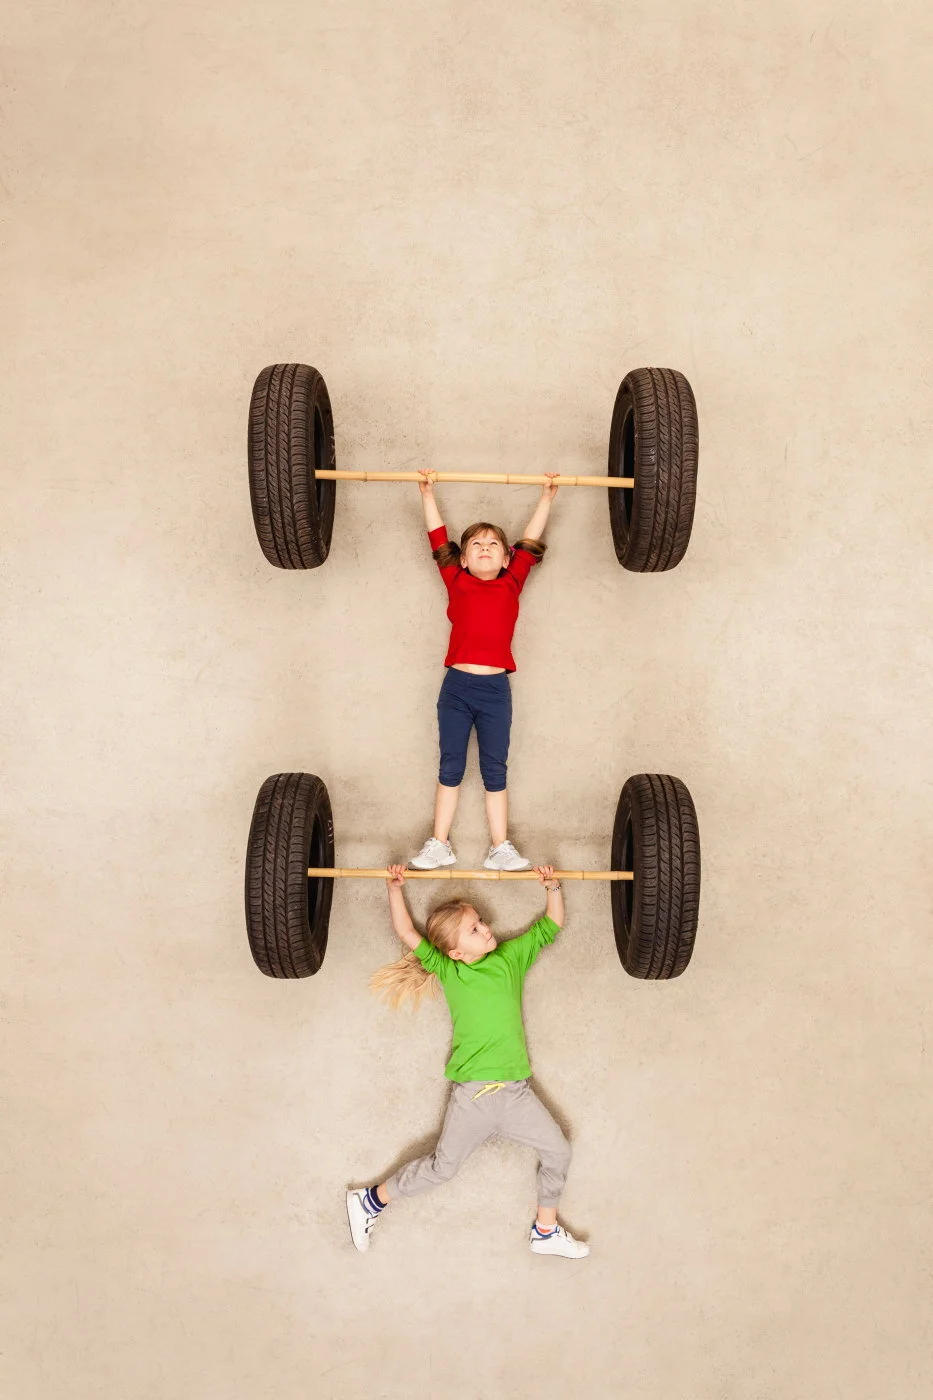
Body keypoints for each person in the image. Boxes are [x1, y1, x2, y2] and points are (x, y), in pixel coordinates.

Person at [345, 864, 589, 1260]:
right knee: (442, 1168)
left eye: (481, 922)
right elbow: (407, 932)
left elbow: (551, 925)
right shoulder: (450, 970)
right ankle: (370, 1200)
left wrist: (553, 886)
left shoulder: (510, 957)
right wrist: (394, 888)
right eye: (474, 929)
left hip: (516, 1094)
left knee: (559, 1150)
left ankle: (545, 1231)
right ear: (457, 952)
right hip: (473, 1097)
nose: (486, 928)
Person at [408, 468, 559, 873]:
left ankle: (500, 847)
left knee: (495, 770)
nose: (485, 548)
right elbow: (438, 538)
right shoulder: (455, 579)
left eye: (494, 544)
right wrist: (427, 494)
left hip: (495, 692)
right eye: (476, 544)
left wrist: (546, 497)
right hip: (456, 689)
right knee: (450, 766)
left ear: (507, 558)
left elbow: (530, 542)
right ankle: (439, 844)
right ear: (463, 558)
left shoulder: (513, 581)